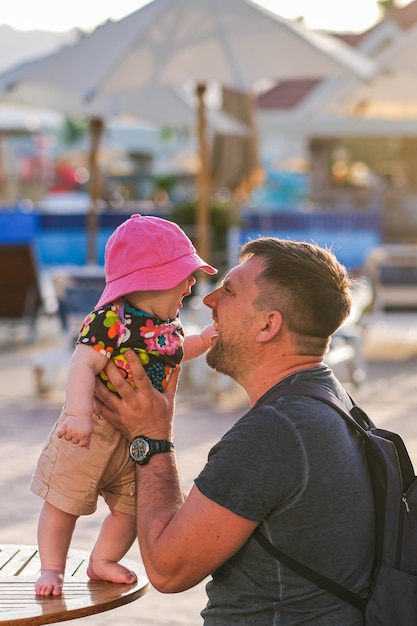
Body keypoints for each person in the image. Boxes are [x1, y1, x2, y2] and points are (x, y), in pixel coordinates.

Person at [94, 236, 376, 625]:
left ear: (267, 324)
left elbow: (167, 568)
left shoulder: (275, 433)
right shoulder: (332, 402)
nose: (209, 300)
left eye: (228, 290)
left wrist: (151, 437)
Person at [31, 214, 217, 597]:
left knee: (133, 509)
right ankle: (51, 567)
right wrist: (79, 415)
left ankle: (102, 559)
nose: (192, 283)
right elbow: (83, 363)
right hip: (92, 428)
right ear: (151, 281)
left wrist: (208, 339)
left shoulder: (167, 327)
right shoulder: (109, 320)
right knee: (63, 501)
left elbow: (181, 352)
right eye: (184, 275)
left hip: (133, 435)